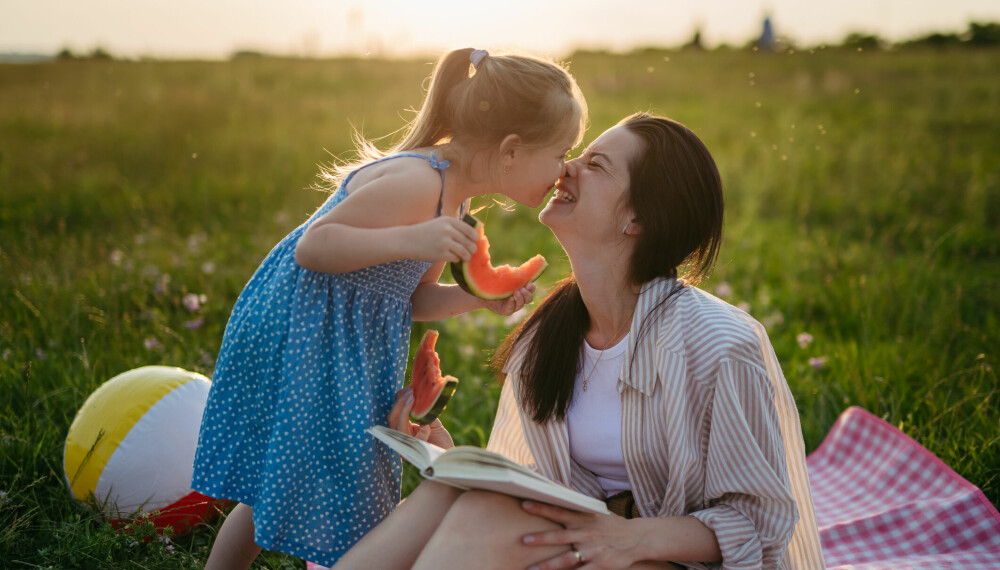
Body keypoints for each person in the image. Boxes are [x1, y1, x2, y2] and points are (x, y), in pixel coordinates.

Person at [333, 113, 825, 569]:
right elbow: (532, 483)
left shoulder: (720, 345)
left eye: (596, 165)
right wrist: (444, 449)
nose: (566, 167)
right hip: (586, 547)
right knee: (456, 497)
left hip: (668, 558)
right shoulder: (546, 337)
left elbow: (760, 525)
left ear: (639, 218)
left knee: (482, 517)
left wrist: (633, 537)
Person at [191, 47, 588, 569]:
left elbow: (414, 297)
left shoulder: (456, 200)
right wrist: (413, 236)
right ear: (511, 149)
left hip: (348, 341)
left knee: (294, 470)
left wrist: (477, 296)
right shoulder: (419, 185)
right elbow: (314, 247)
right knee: (320, 467)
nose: (565, 169)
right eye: (560, 152)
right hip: (308, 330)